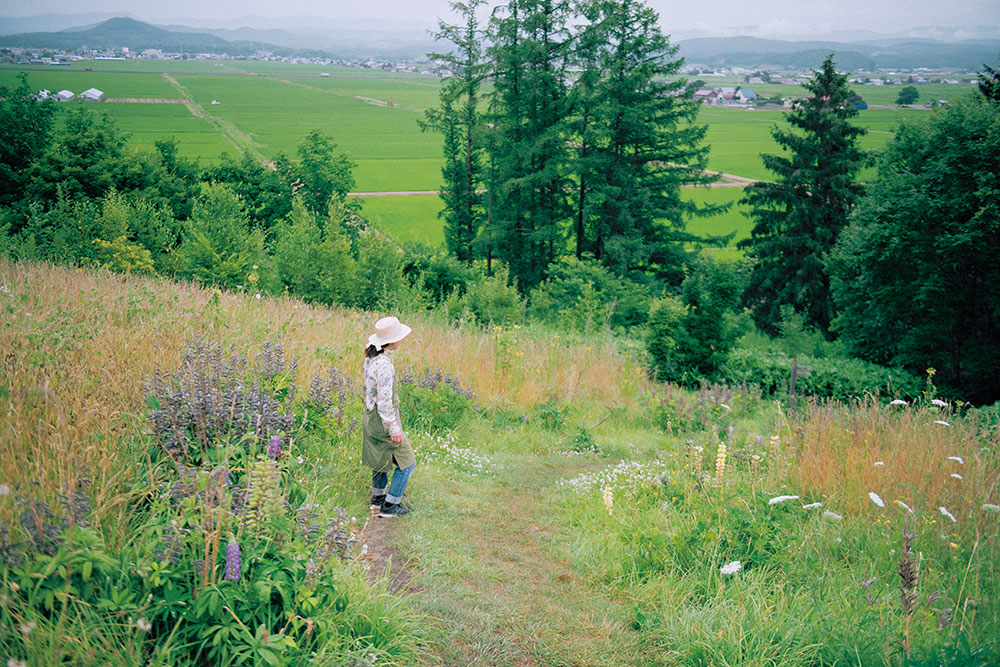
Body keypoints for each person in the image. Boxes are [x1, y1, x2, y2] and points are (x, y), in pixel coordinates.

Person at [362, 316, 416, 518]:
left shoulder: (371, 358)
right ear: (391, 341)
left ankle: (377, 499)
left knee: (379, 456)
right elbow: (385, 402)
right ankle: (390, 506)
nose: (401, 341)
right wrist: (393, 428)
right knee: (408, 462)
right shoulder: (384, 366)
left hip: (370, 416)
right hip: (382, 419)